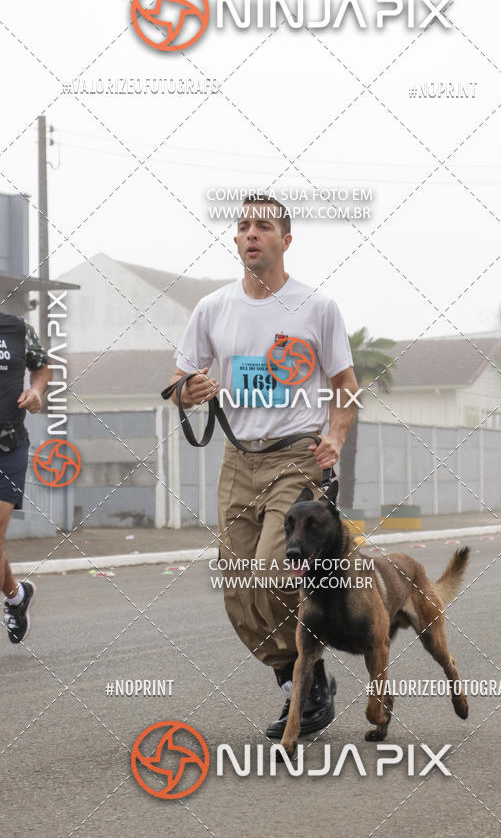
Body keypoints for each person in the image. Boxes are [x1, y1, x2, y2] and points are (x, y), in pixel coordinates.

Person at [167, 193, 359, 738]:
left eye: (264, 226)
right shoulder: (213, 309)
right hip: (238, 459)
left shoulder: (316, 308)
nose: (251, 233)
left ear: (285, 240)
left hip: (296, 457)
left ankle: (305, 680)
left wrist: (335, 438)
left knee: (276, 570)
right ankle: (301, 677)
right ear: (235, 240)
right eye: (244, 225)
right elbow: (180, 383)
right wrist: (191, 388)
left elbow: (345, 388)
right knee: (236, 586)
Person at [0, 265, 51, 643]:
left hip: (6, 447)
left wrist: (37, 391)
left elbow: (42, 366)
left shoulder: (16, 328)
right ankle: (16, 594)